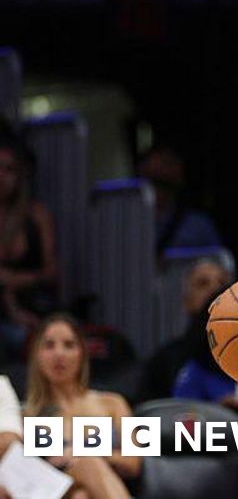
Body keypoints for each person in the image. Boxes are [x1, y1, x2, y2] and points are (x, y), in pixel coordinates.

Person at [23, 314, 138, 499]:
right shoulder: (26, 415)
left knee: (82, 494)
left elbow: (134, 463)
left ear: (82, 353)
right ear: (36, 355)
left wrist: (83, 453)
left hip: (103, 487)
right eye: (49, 345)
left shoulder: (113, 403)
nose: (59, 354)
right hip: (54, 491)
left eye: (69, 345)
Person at [0, 135, 59, 361]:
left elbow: (52, 273)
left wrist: (15, 280)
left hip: (33, 305)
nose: (2, 176)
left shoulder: (36, 215)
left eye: (9, 169)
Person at [139, 260, 232, 401]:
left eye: (222, 283)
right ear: (186, 302)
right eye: (203, 284)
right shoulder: (165, 362)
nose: (215, 290)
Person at [136, 145, 221, 252]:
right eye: (154, 183)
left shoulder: (198, 226)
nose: (158, 193)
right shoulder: (129, 224)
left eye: (164, 185)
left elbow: (217, 259)